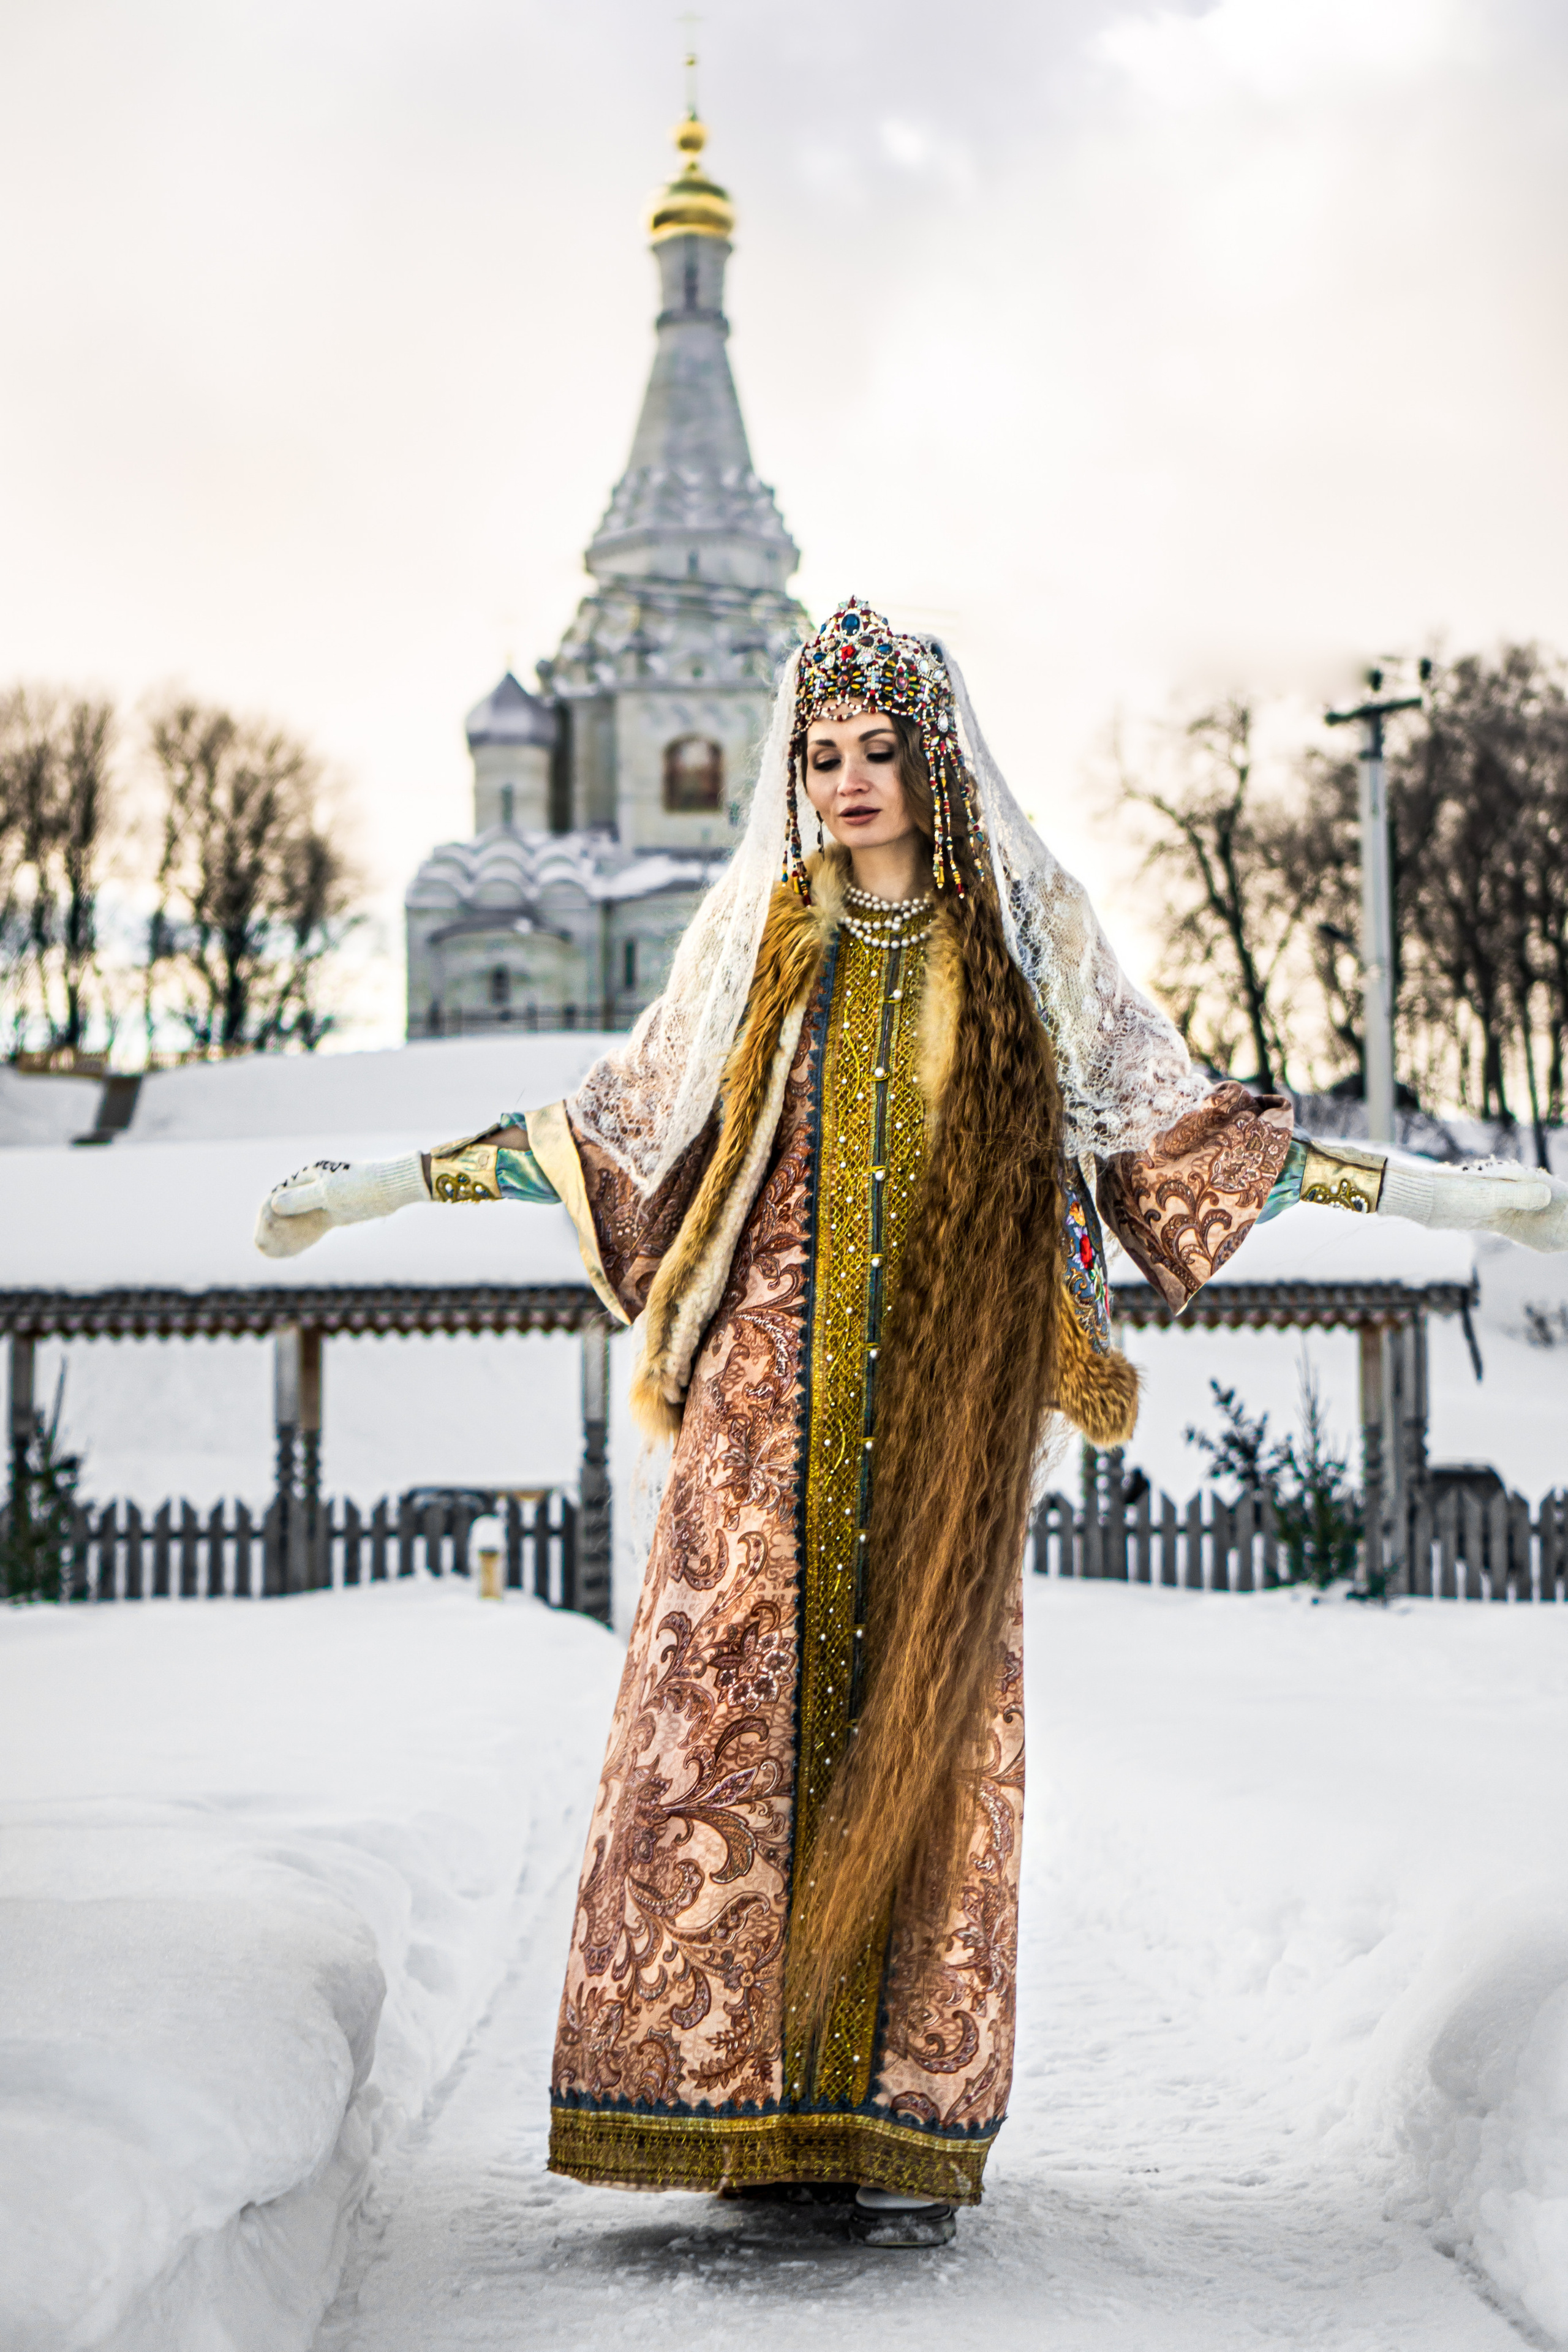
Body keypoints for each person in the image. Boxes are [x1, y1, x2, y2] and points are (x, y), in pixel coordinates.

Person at [255, 599, 1568, 2248]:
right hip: (760, 1416)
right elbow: (607, 1134)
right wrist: (369, 1188)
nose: (850, 779)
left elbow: (1187, 1141)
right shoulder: (758, 945)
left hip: (939, 1419)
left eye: (879, 750)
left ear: (935, 760)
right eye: (822, 754)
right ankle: (730, 2101)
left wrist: (1451, 1196)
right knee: (725, 1737)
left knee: (919, 1740)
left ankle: (879, 2111)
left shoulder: (1026, 951)